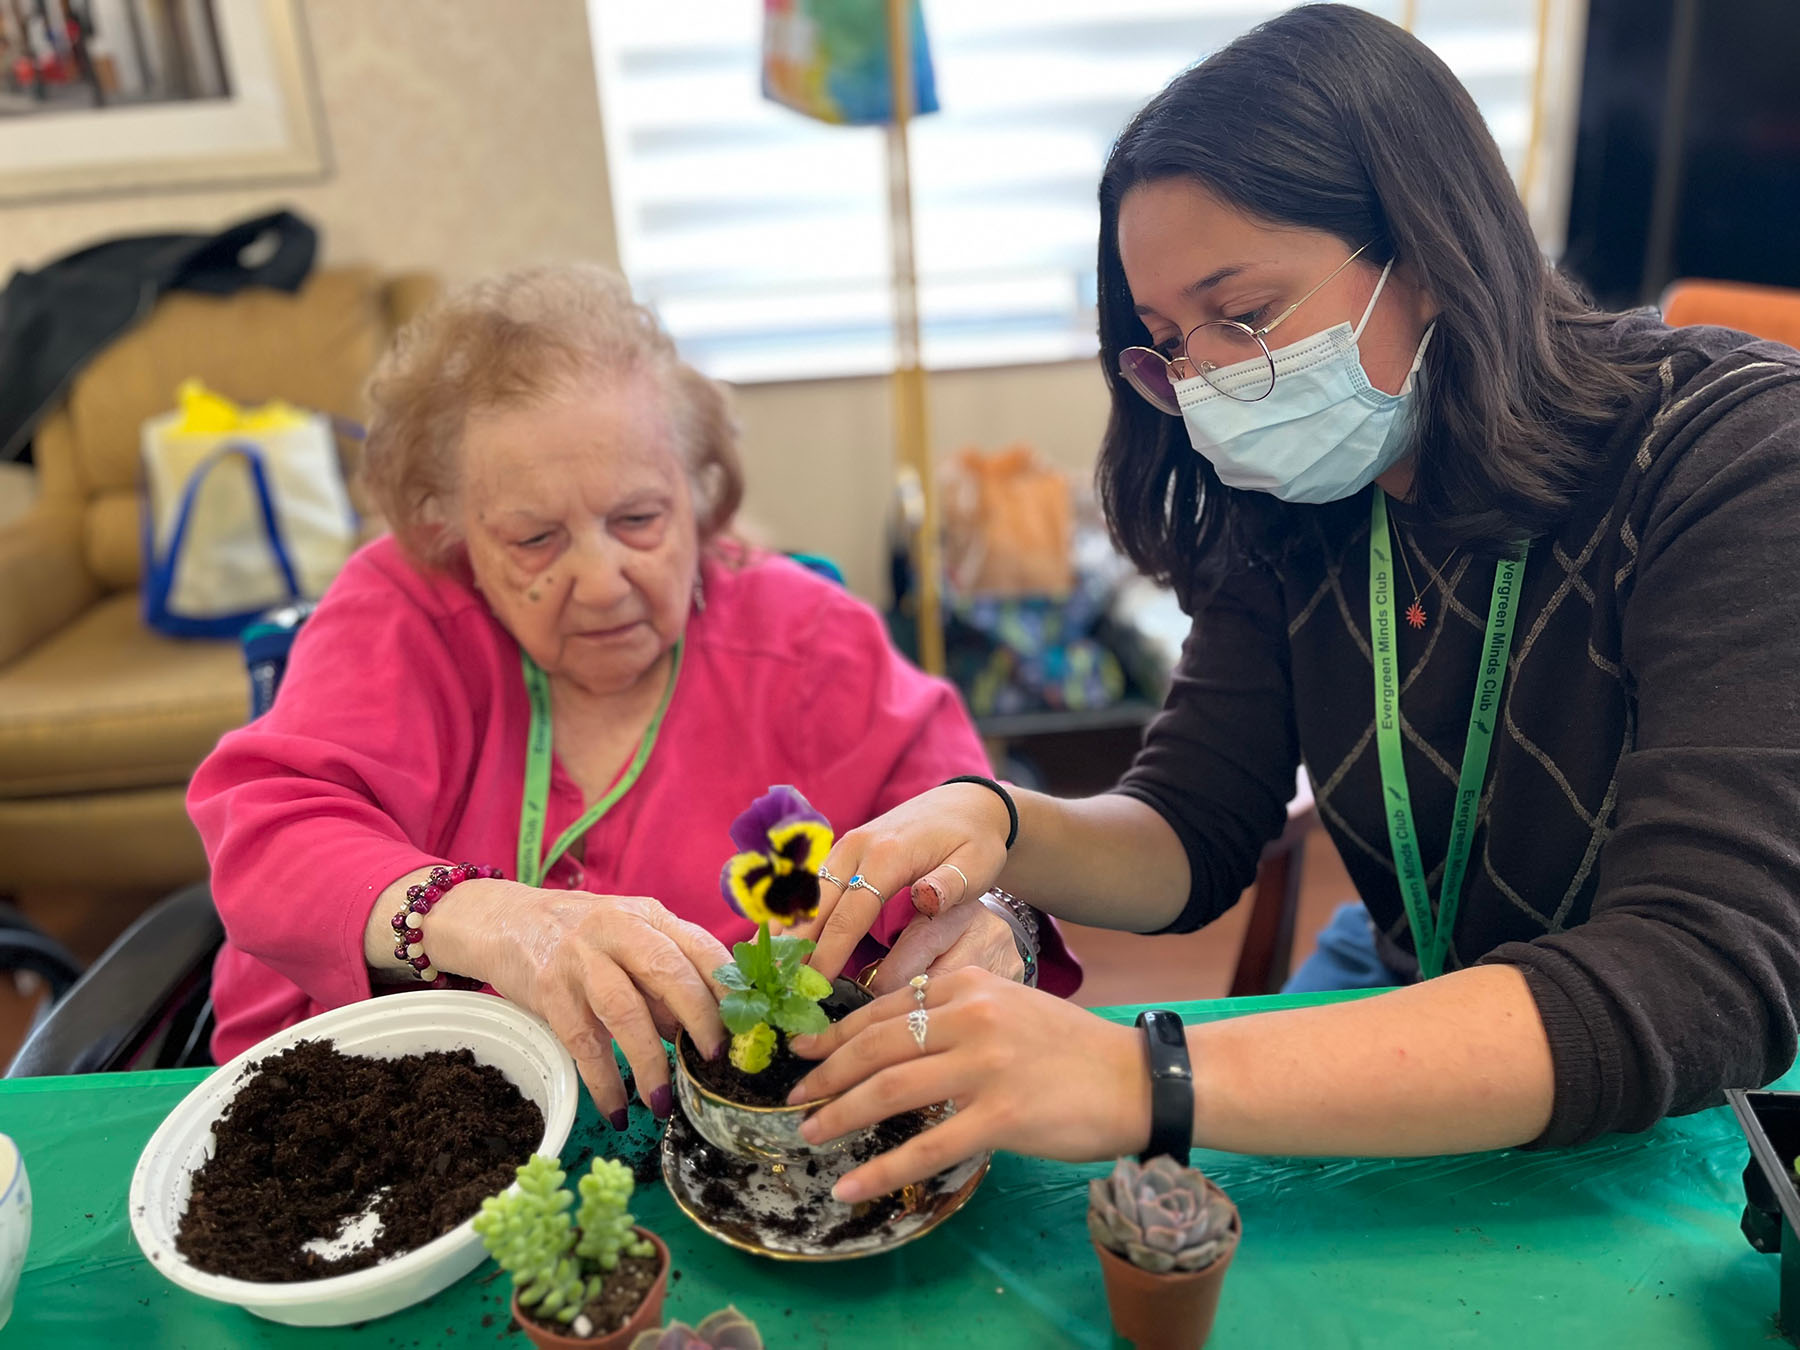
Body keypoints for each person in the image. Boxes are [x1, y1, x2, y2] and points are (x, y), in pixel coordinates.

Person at [790, 3, 1800, 1205]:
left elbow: (1702, 977)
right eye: (1170, 342)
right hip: (1402, 985)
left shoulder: (1732, 459)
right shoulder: (1300, 500)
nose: (1211, 386)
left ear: (1427, 255)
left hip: (1679, 1098)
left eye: (1247, 315)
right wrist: (1003, 823)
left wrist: (1146, 1075)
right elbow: (1194, 823)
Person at [188, 265, 1075, 1127]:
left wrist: (997, 923)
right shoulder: (405, 610)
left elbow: (977, 844)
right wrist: (496, 920)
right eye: (536, 537)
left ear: (701, 496)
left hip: (735, 1141)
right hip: (387, 1113)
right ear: (450, 530)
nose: (605, 582)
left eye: (640, 521)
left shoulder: (811, 642)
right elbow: (267, 841)